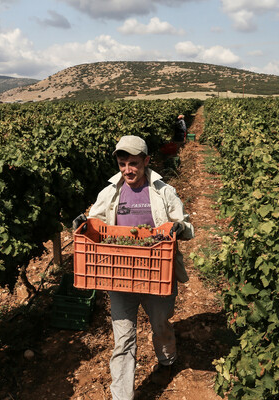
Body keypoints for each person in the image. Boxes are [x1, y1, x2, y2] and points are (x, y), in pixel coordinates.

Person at [72, 135, 194, 400]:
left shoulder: (164, 191)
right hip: (120, 274)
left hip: (157, 273)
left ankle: (167, 362)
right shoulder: (109, 192)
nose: (127, 169)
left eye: (134, 163)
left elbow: (186, 226)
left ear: (146, 161)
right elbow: (96, 223)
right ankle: (122, 396)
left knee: (160, 324)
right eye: (122, 162)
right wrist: (84, 223)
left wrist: (179, 227)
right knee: (123, 338)